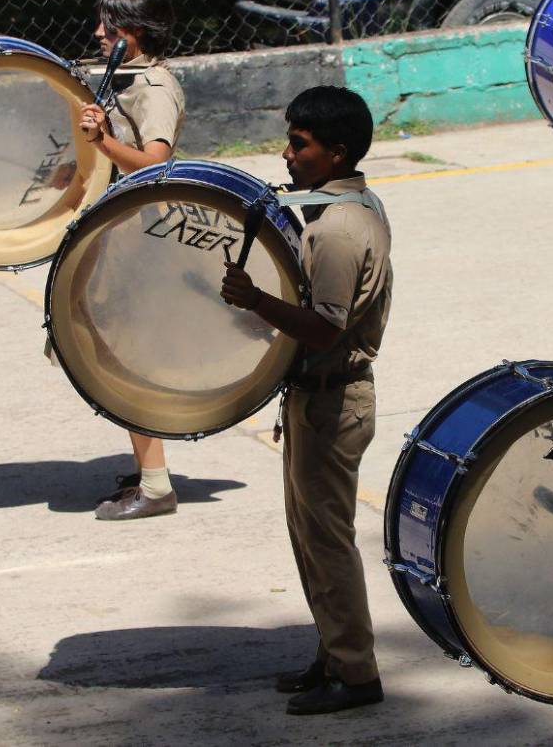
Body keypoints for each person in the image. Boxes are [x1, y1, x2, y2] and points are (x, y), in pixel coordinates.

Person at [220, 86, 391, 715]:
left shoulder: (341, 230)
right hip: (315, 395)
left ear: (335, 152)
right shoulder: (340, 206)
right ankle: (333, 653)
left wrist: (255, 301)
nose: (287, 154)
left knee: (328, 540)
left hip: (333, 400)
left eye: (300, 143)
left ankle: (357, 673)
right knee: (309, 533)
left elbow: (324, 326)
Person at [80, 0, 187, 521]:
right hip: (120, 234)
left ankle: (156, 485)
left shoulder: (154, 87)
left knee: (126, 360)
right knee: (112, 355)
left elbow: (157, 164)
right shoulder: (122, 81)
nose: (99, 34)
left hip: (143, 240)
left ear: (135, 31)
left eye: (109, 25)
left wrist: (103, 142)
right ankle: (150, 470)